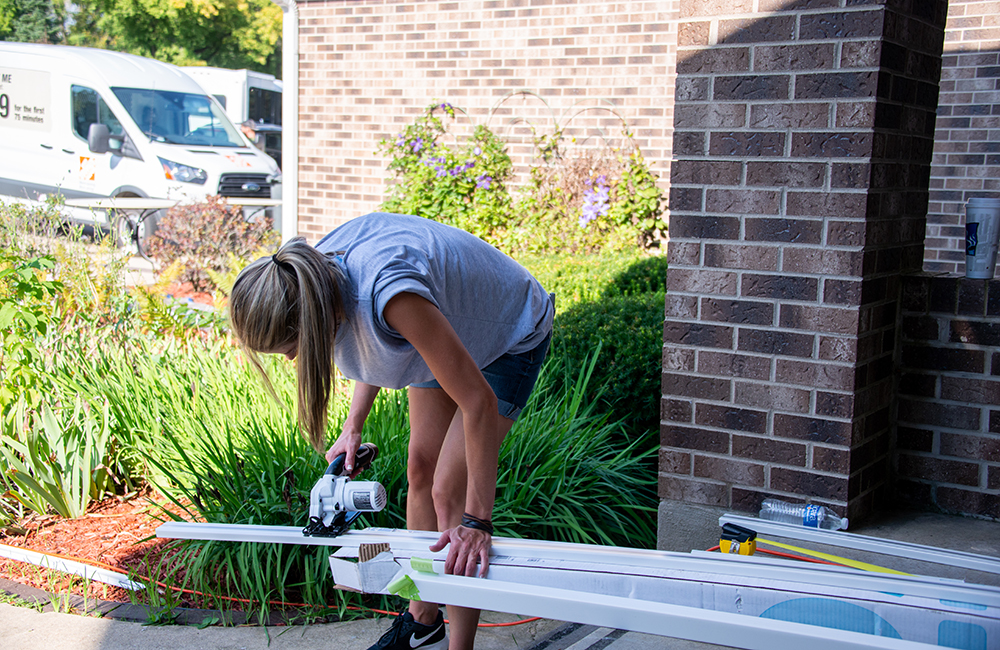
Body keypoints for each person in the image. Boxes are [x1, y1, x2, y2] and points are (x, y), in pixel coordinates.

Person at [229, 212, 554, 650]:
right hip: (443, 325)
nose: (291, 359)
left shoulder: (390, 295)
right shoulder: (308, 276)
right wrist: (353, 426)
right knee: (419, 468)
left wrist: (479, 523)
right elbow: (375, 342)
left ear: (310, 318)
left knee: (447, 493)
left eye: (292, 346)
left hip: (508, 333)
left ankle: (461, 648)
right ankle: (425, 626)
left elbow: (477, 401)